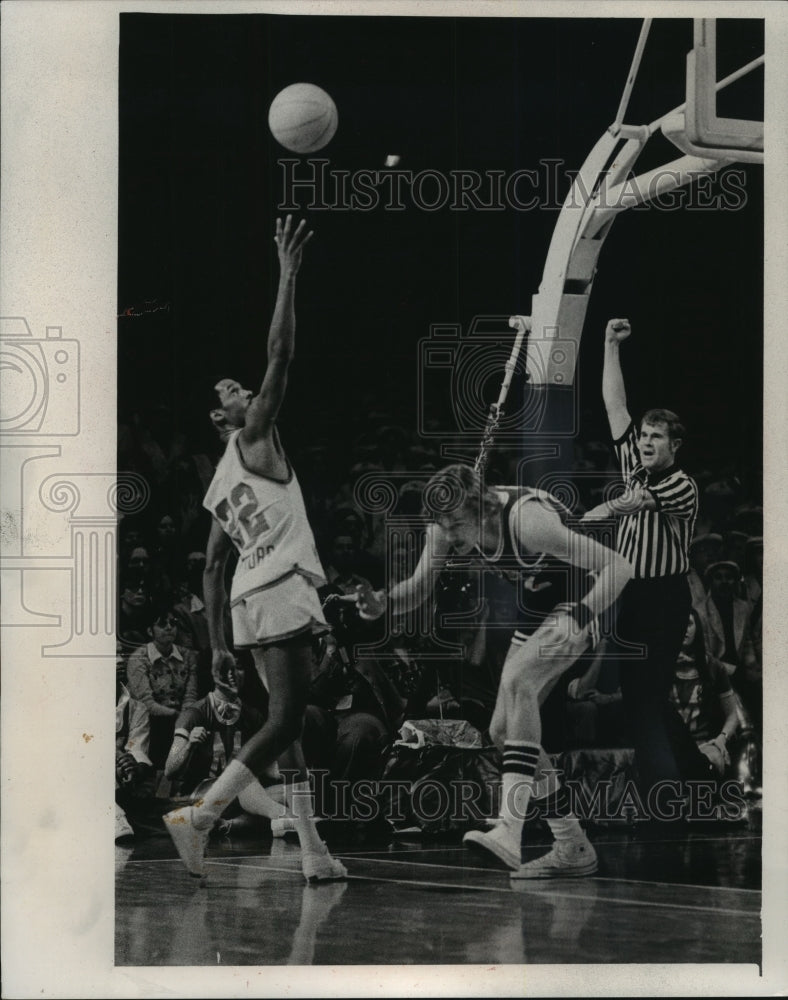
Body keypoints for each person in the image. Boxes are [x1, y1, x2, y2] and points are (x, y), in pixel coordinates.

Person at [164, 216, 346, 883]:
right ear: (223, 422)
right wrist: (288, 273)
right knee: (292, 716)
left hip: (247, 598)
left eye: (239, 388)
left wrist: (217, 642)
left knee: (288, 728)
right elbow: (281, 354)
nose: (242, 391)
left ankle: (316, 854)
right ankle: (203, 815)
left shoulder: (218, 484)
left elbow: (213, 565)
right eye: (230, 394)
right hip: (279, 585)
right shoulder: (253, 440)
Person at [352, 462, 632, 880]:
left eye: (456, 525)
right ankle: (571, 843)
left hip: (589, 595)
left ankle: (509, 828)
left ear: (481, 508)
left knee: (519, 677)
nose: (448, 536)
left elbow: (620, 567)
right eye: (441, 526)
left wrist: (581, 616)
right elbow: (420, 586)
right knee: (504, 733)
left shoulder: (528, 519)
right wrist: (384, 603)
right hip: (539, 607)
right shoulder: (446, 524)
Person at [582, 318, 699, 810]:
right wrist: (610, 345)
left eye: (657, 437)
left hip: (663, 601)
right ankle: (702, 780)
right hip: (631, 597)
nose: (647, 442)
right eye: (645, 435)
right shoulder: (636, 464)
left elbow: (635, 504)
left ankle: (664, 806)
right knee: (643, 704)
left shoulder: (681, 485)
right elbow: (614, 404)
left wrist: (595, 514)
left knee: (645, 704)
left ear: (675, 446)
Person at [126, 605, 200, 768]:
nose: (169, 628)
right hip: (151, 723)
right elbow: (146, 704)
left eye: (172, 623)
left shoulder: (188, 655)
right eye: (162, 624)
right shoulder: (138, 658)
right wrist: (177, 715)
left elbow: (190, 695)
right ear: (150, 631)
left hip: (180, 719)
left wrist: (186, 717)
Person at [668, 609, 739, 777]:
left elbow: (732, 715)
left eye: (689, 624)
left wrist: (722, 738)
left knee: (711, 763)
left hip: (703, 746)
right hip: (670, 746)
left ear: (697, 629)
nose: (684, 629)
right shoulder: (661, 668)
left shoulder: (713, 667)